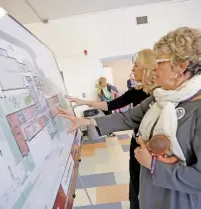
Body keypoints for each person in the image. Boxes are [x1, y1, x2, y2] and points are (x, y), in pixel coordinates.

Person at [60, 27, 201, 209]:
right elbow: (128, 118)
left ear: (181, 66)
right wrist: (86, 121)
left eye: (160, 62)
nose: (154, 68)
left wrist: (154, 165)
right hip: (149, 193)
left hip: (176, 202)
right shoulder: (159, 97)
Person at [66, 49, 157, 209]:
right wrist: (84, 103)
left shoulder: (160, 96)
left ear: (147, 68)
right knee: (135, 191)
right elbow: (115, 109)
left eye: (136, 65)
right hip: (137, 146)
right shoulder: (136, 92)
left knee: (151, 192)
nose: (133, 69)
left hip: (155, 152)